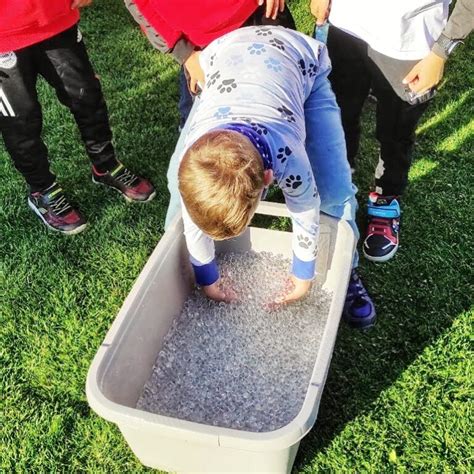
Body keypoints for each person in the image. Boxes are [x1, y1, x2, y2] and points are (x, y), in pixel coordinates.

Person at [166, 26, 376, 328]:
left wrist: (303, 275)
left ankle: (347, 271)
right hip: (226, 59)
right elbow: (192, 212)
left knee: (334, 189)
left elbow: (305, 208)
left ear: (268, 179)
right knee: (176, 194)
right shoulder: (194, 157)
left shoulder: (287, 155)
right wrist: (207, 278)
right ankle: (177, 274)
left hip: (300, 62)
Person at [310, 0, 473, 262]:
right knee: (338, 114)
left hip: (410, 42)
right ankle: (338, 188)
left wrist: (441, 50)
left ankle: (386, 196)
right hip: (346, 26)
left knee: (396, 130)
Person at [0, 0, 156, 235]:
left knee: (87, 97)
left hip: (55, 17)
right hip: (5, 35)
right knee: (21, 121)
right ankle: (42, 190)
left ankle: (105, 165)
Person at [124, 0, 296, 128]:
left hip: (261, 13)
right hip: (202, 47)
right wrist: (185, 54)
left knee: (286, 104)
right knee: (213, 131)